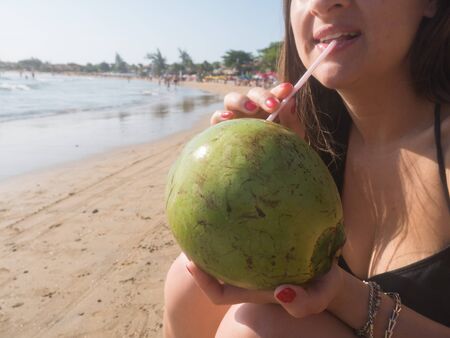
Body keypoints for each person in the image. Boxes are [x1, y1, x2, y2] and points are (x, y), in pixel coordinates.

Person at [164, 0, 450, 337]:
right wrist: (261, 177)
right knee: (188, 282)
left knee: (259, 331)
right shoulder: (309, 147)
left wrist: (344, 296)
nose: (320, 3)